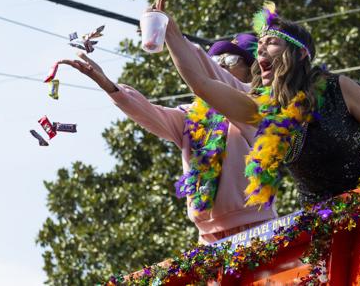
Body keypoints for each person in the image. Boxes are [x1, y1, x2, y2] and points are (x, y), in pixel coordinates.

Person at [155, 0, 360, 206]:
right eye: (259, 45)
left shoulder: (337, 88)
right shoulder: (260, 109)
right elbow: (201, 84)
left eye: (272, 43)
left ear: (299, 53)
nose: (261, 49)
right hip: (320, 225)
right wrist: (171, 33)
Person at [59, 33, 276, 244]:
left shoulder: (258, 109)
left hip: (258, 230)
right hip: (208, 239)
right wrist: (109, 86)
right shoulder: (191, 117)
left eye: (230, 60)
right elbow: (150, 114)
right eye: (216, 61)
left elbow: (220, 81)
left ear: (253, 71)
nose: (221, 65)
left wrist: (172, 34)